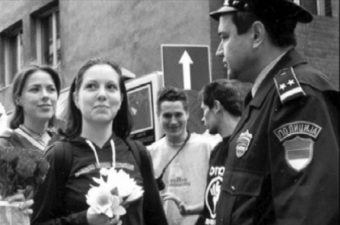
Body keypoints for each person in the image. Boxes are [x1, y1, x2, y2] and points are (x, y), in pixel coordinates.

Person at [209, 0, 339, 224]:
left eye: (224, 37)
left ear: (257, 35)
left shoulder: (298, 99)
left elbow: (307, 215)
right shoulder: (263, 98)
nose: (219, 50)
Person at [31, 58, 168, 225]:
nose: (102, 94)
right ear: (76, 98)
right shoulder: (58, 156)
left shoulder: (138, 153)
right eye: (91, 86)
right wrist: (85, 220)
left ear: (121, 98)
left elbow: (156, 220)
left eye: (111, 87)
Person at [163, 79, 250, 225]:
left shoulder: (248, 147)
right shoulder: (217, 151)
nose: (202, 119)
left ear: (216, 106)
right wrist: (190, 209)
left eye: (204, 110)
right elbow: (216, 200)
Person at [147, 86, 216, 225]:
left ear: (187, 114)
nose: (173, 121)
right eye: (167, 115)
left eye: (178, 114)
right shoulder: (148, 153)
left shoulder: (208, 147)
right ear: (158, 116)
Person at [0, 65, 61, 151]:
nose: (45, 95)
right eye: (35, 89)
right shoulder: (5, 145)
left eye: (51, 89)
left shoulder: (66, 143)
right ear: (18, 99)